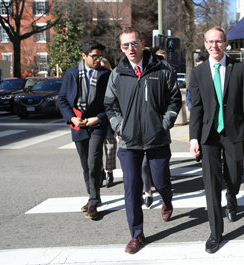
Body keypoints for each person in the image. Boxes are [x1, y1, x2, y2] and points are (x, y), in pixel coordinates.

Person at [105, 27, 182, 254]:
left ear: (143, 43)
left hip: (157, 138)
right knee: (132, 188)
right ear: (121, 47)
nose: (130, 48)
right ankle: (136, 235)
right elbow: (110, 105)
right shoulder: (117, 74)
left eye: (134, 43)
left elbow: (174, 100)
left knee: (160, 182)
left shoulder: (162, 68)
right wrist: (119, 126)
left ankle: (167, 201)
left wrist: (164, 123)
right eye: (125, 45)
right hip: (129, 142)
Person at [189, 26, 244, 254]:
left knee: (235, 176)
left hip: (234, 132)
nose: (214, 45)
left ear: (226, 43)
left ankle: (232, 195)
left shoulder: (239, 69)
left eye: (218, 41)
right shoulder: (198, 73)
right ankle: (215, 233)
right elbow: (196, 108)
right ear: (205, 43)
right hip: (208, 135)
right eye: (210, 41)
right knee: (211, 184)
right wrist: (193, 138)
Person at [58, 40, 111, 220]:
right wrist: (72, 118)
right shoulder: (72, 73)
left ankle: (93, 202)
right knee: (84, 163)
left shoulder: (106, 74)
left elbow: (112, 102)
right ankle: (92, 197)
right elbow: (62, 99)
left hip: (97, 122)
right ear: (84, 56)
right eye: (93, 56)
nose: (97, 60)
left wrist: (99, 118)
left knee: (94, 160)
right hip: (78, 123)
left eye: (100, 56)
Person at [99, 58, 116, 188]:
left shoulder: (112, 79)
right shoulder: (94, 81)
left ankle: (109, 173)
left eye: (104, 67)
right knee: (97, 150)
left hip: (109, 119)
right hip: (97, 119)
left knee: (110, 149)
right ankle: (100, 172)